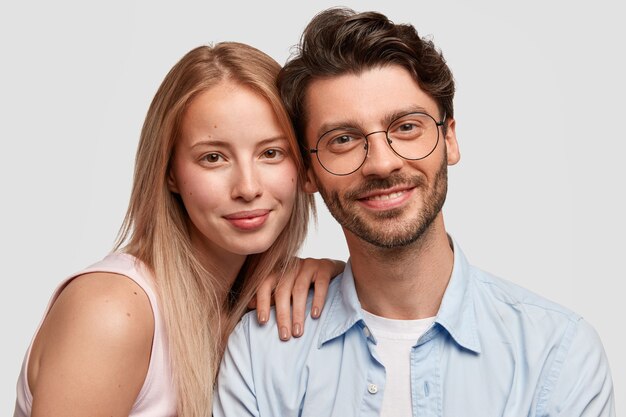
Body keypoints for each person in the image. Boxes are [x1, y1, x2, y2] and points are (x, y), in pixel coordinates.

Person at [213, 7, 616, 417]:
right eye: (344, 138)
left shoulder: (558, 352)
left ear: (449, 139)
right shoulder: (259, 353)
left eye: (406, 127)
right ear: (308, 171)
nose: (382, 163)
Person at [13, 42, 344, 417]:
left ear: (302, 167)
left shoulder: (249, 310)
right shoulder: (113, 311)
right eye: (213, 157)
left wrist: (341, 281)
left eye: (271, 153)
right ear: (170, 172)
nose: (248, 187)